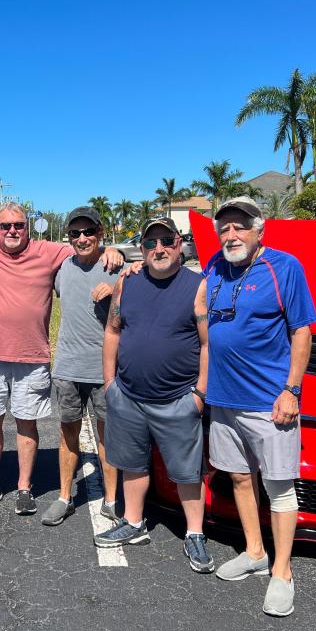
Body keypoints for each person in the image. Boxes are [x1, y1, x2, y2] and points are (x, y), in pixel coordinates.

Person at [199, 195, 316, 617]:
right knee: (240, 479)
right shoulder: (214, 265)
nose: (231, 234)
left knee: (279, 487)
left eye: (240, 226)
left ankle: (282, 572)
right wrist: (131, 264)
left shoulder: (284, 267)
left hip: (269, 403)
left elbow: (302, 332)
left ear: (260, 229)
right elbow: (189, 294)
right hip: (223, 400)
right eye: (225, 227)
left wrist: (292, 390)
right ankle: (254, 551)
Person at [0, 203, 123, 516]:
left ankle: (25, 487)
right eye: (5, 226)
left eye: (19, 226)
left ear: (28, 227)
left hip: (32, 353)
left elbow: (96, 252)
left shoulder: (50, 251)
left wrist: (116, 252)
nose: (12, 231)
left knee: (28, 423)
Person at [94, 216, 214, 574]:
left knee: (187, 472)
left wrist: (200, 394)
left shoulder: (197, 285)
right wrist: (110, 384)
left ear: (180, 244)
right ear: (143, 249)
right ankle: (133, 521)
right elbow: (113, 332)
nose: (158, 248)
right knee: (132, 464)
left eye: (166, 241)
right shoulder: (127, 284)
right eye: (150, 243)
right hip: (128, 395)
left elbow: (208, 344)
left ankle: (194, 533)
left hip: (178, 397)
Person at [40, 207, 120, 526]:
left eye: (89, 232)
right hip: (68, 368)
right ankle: (64, 497)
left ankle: (112, 500)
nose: (82, 238)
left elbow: (143, 299)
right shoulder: (62, 268)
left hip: (105, 369)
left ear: (100, 233)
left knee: (107, 437)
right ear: (68, 236)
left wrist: (118, 292)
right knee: (67, 434)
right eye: (75, 233)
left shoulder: (117, 266)